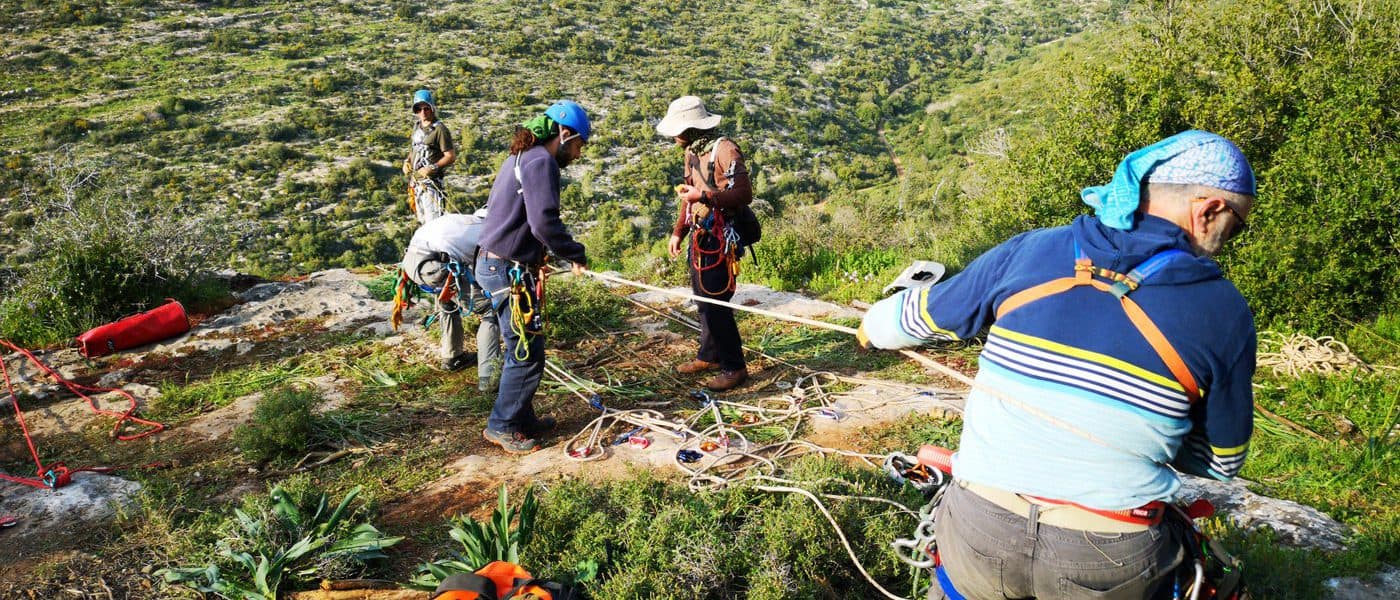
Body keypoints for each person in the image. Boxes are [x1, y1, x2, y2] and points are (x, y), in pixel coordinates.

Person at [858, 130, 1258, 599]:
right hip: (1113, 554)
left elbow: (904, 322)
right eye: (1236, 226)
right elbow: (1221, 461)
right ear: (1208, 209)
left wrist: (869, 329)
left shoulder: (1032, 250)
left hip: (980, 530)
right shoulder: (1224, 310)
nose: (1229, 240)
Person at [475, 100, 591, 454]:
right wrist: (575, 252)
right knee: (526, 351)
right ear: (564, 134)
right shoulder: (542, 162)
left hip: (498, 263)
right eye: (578, 145)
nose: (578, 154)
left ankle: (521, 417)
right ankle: (503, 425)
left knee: (524, 346)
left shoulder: (522, 157)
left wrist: (537, 256)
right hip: (506, 269)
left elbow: (525, 219)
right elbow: (543, 222)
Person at [657, 95, 755, 391]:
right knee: (702, 298)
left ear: (690, 129)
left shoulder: (725, 150)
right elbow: (688, 195)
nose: (674, 136)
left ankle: (734, 367)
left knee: (716, 301)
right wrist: (679, 231)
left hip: (721, 236)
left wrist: (703, 197)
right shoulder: (692, 152)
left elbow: (744, 194)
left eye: (677, 130)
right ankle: (709, 355)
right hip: (701, 233)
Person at [399, 209, 503, 392]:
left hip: (413, 264)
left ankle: (452, 356)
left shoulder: (461, 221)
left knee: (448, 300)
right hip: (435, 267)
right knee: (491, 309)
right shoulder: (486, 233)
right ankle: (489, 378)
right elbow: (487, 271)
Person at [402, 89, 457, 224]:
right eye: (418, 109)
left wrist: (432, 167)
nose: (422, 112)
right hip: (416, 183)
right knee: (422, 222)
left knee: (433, 225)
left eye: (426, 108)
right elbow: (415, 148)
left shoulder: (440, 130)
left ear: (432, 108)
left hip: (432, 185)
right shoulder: (417, 126)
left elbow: (450, 156)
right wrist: (407, 161)